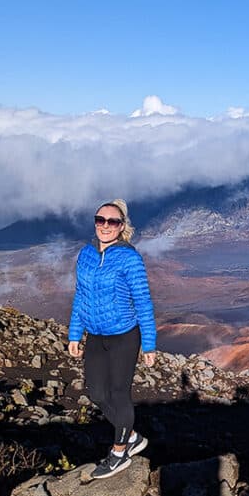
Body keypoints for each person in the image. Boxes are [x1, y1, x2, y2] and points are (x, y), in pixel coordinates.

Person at [68, 199, 157, 479]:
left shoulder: (129, 257)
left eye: (113, 221)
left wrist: (150, 344)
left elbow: (143, 301)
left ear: (122, 226)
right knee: (96, 394)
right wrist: (74, 333)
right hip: (95, 335)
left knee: (119, 394)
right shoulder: (86, 254)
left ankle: (119, 453)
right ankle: (131, 436)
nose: (105, 226)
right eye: (100, 220)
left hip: (124, 336)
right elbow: (80, 295)